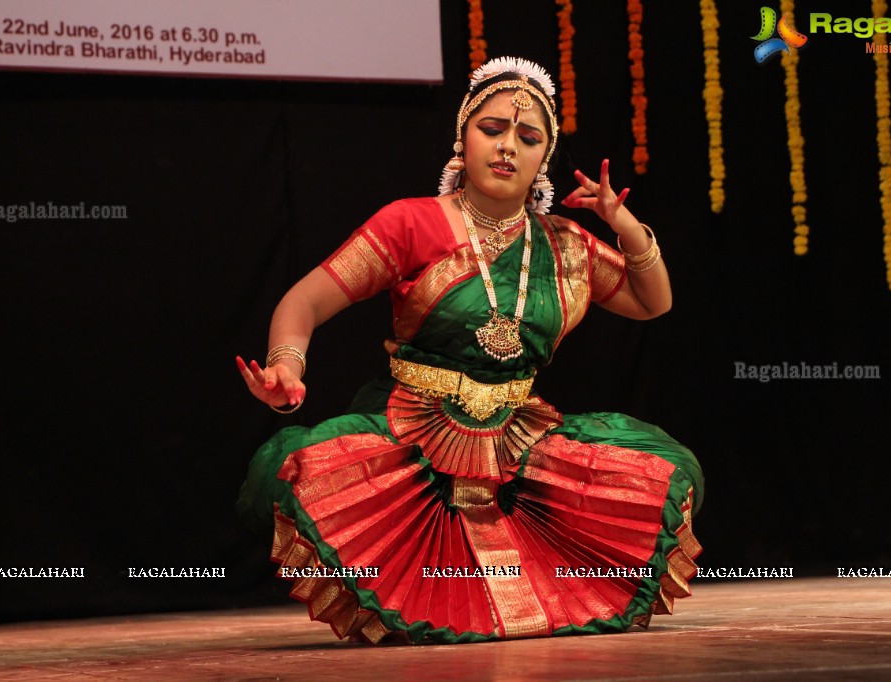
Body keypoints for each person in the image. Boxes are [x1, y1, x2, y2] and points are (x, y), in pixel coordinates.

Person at [236, 56, 703, 644]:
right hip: (413, 435)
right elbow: (302, 304)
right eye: (492, 129)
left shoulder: (564, 244)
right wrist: (286, 367)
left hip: (520, 442)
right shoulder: (410, 223)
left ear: (543, 160)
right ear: (463, 138)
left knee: (665, 472)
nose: (508, 146)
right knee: (295, 470)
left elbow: (651, 302)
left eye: (528, 137)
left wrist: (622, 221)